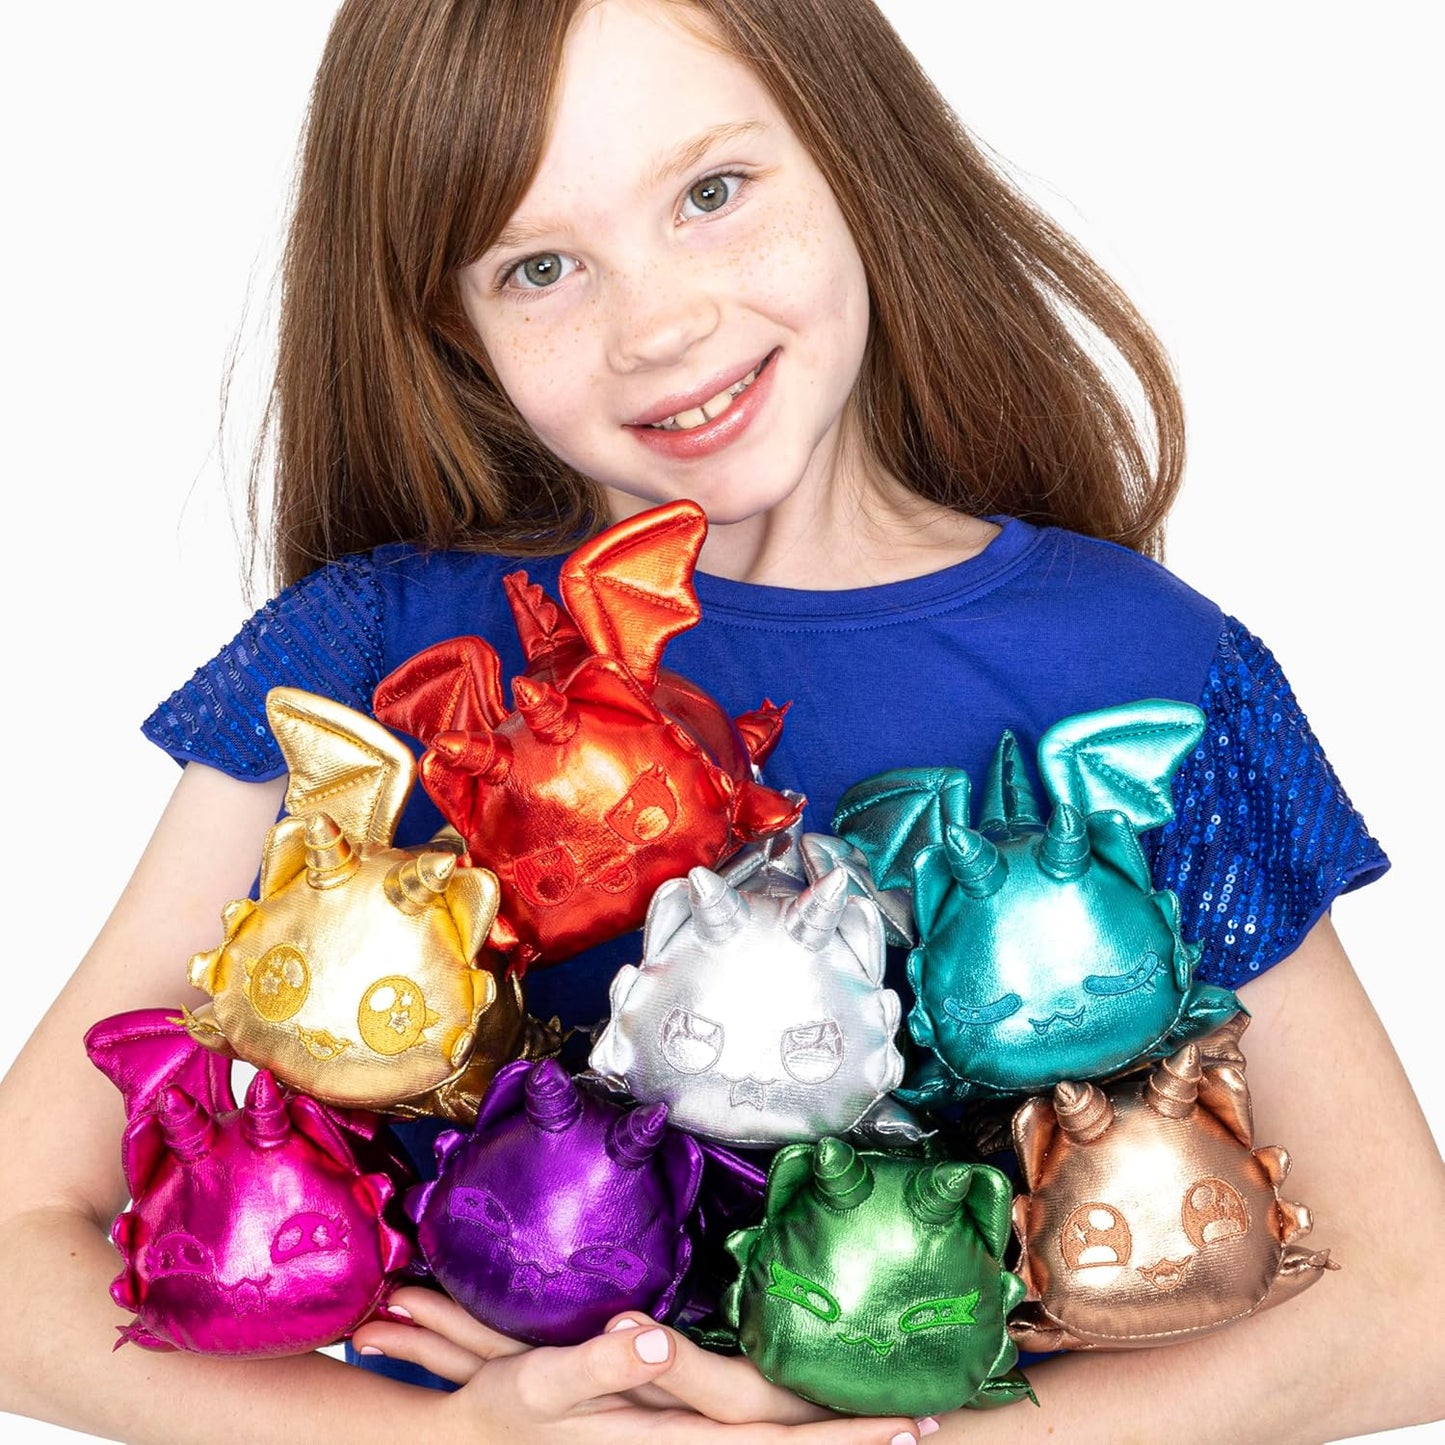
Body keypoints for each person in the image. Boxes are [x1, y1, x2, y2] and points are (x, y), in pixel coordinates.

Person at [2, 1, 1442, 1442]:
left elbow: (1405, 1302)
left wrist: (907, 1438)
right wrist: (445, 1441)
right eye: (541, 266)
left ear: (854, 151)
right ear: (453, 320)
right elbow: (19, 1246)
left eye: (710, 192)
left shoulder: (1134, 661)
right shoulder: (371, 652)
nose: (660, 324)